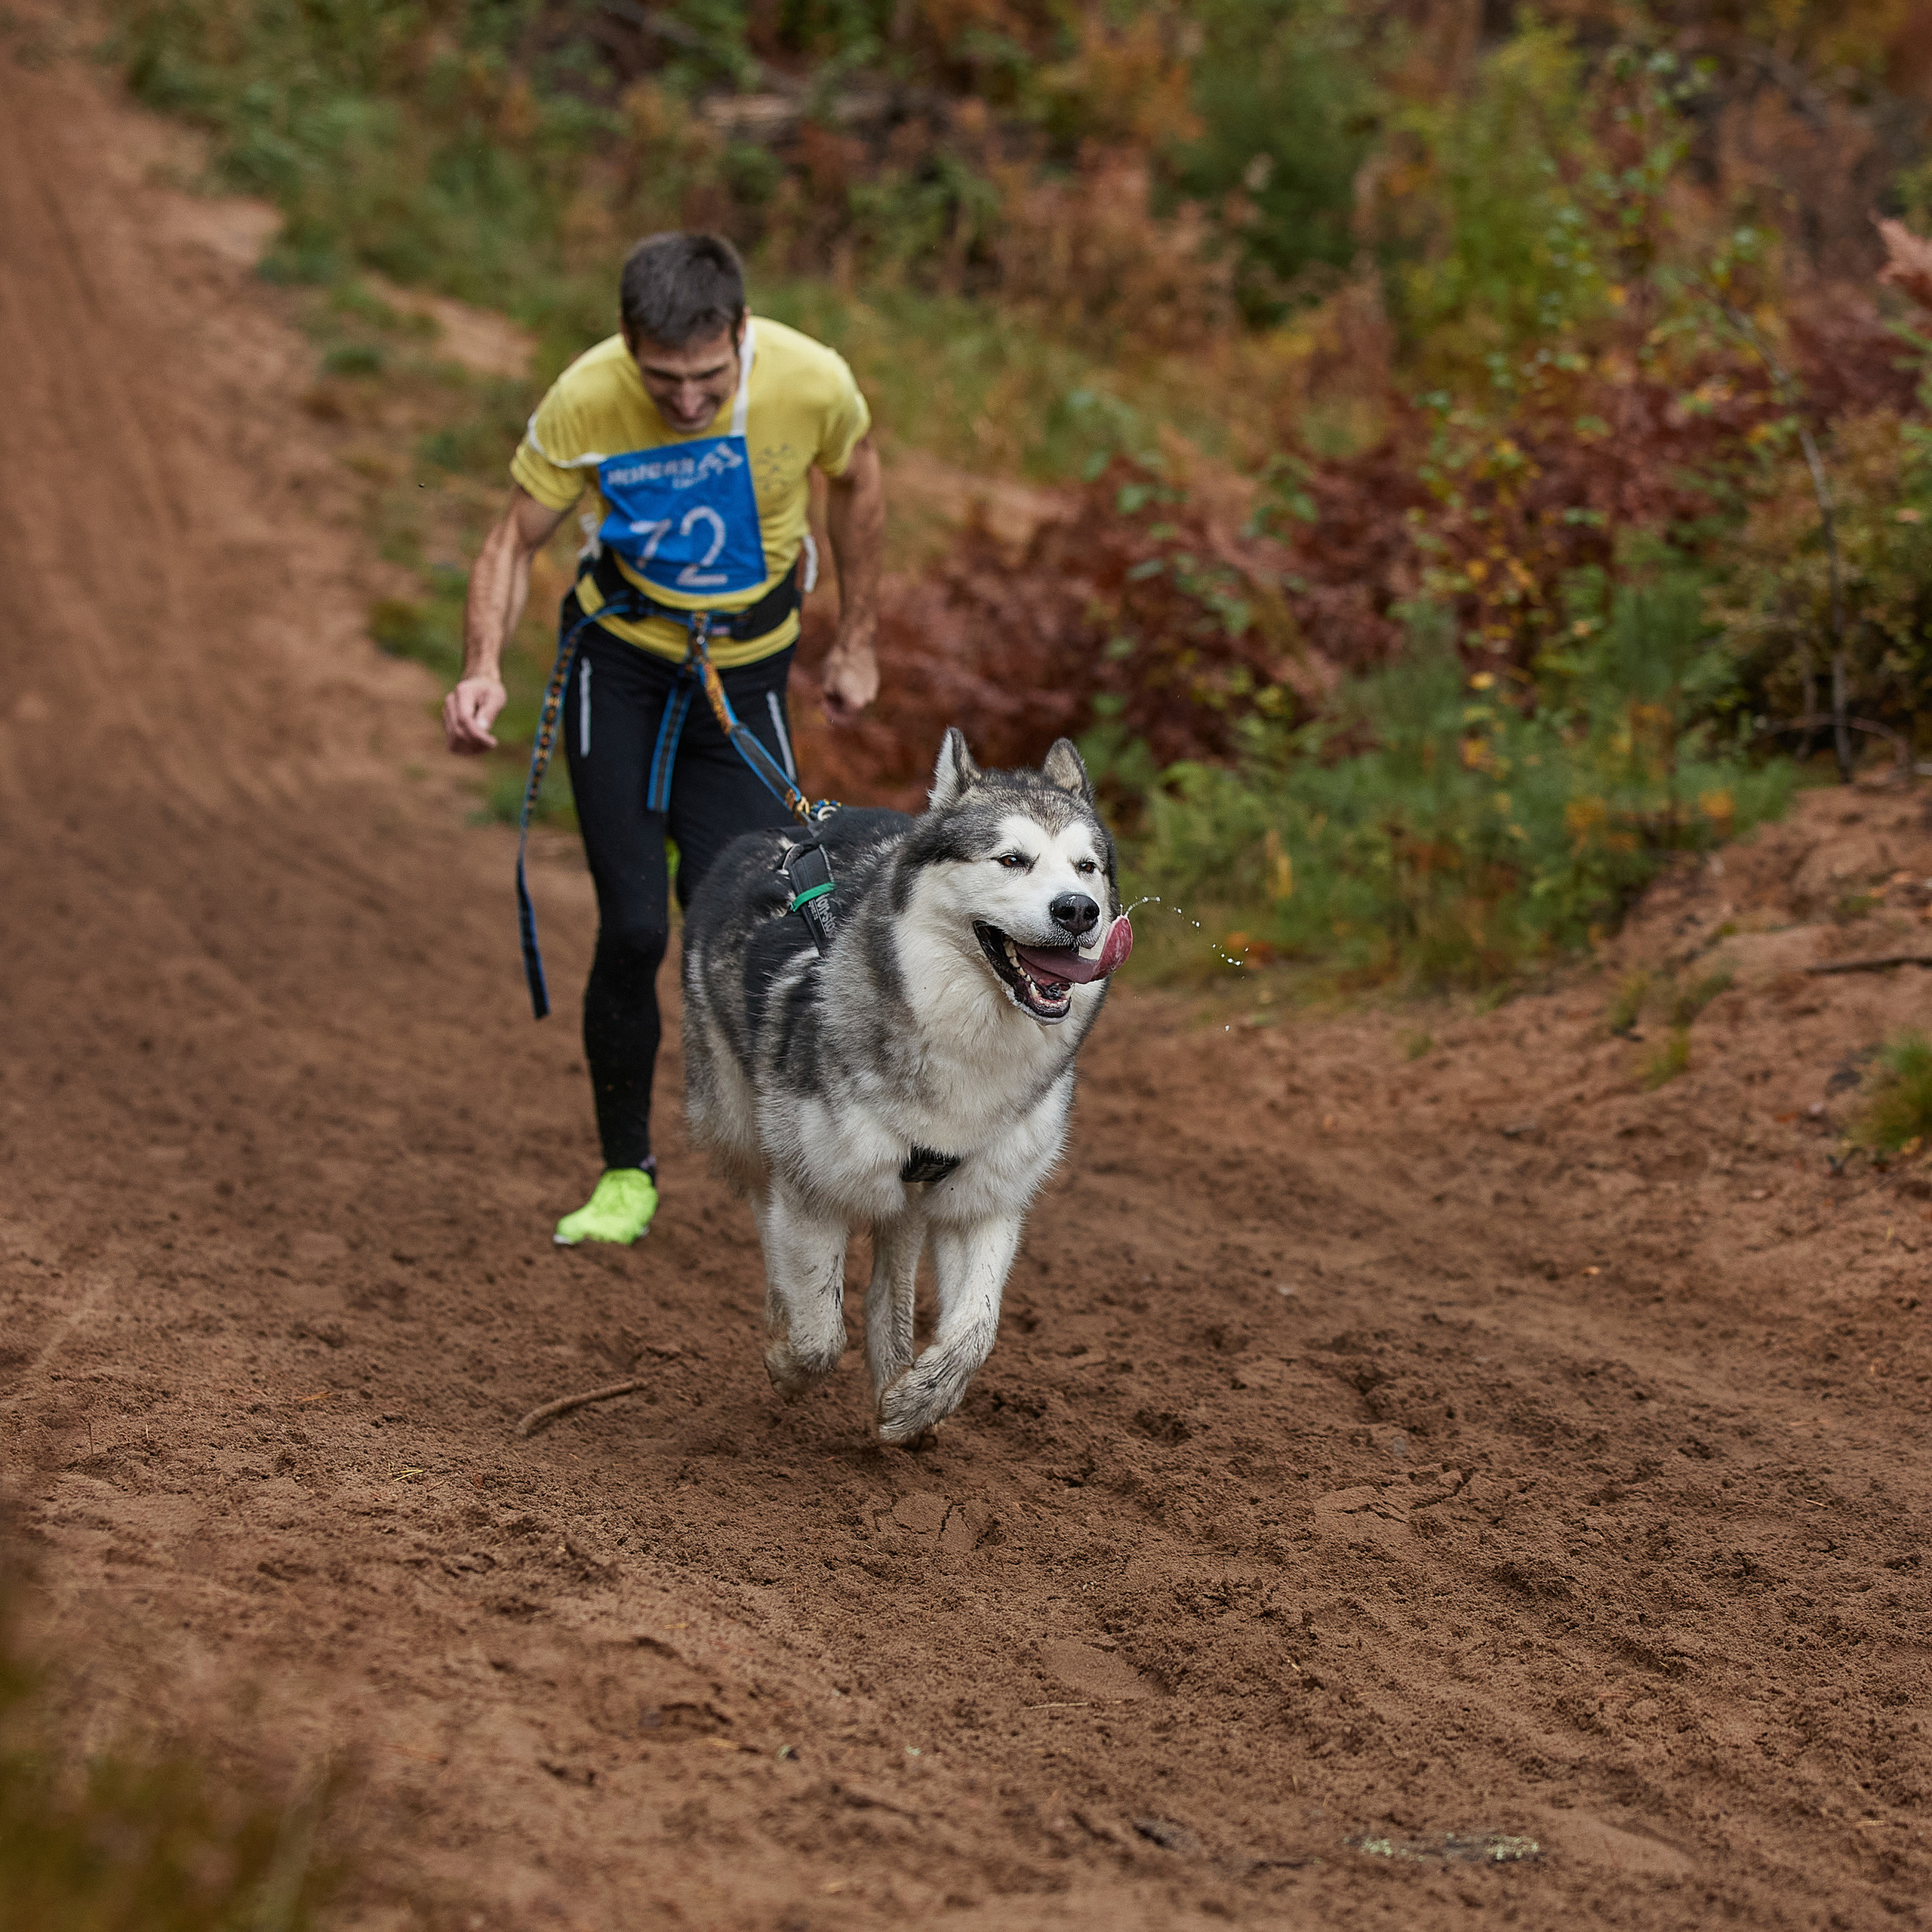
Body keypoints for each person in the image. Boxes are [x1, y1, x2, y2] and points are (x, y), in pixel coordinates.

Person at [442, 232, 882, 1247]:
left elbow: (861, 484)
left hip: (749, 672)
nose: (685, 401)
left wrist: (858, 641)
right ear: (628, 346)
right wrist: (479, 667)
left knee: (750, 927)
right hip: (622, 672)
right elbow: (513, 539)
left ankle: (793, 1162)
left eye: (708, 379)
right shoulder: (587, 397)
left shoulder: (812, 381)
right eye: (662, 380)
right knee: (637, 929)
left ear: (742, 334)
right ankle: (624, 1176)